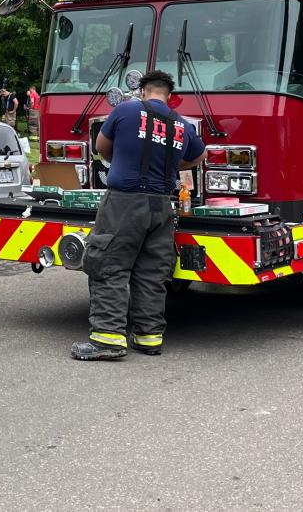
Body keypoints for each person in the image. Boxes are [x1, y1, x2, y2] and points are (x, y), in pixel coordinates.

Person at [71, 70, 206, 361]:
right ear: (169, 95)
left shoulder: (126, 110)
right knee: (152, 273)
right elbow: (198, 156)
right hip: (161, 207)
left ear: (143, 90)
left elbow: (101, 148)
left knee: (108, 266)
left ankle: (107, 339)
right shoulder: (180, 123)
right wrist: (171, 165)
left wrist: (121, 159)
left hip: (124, 203)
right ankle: (148, 338)